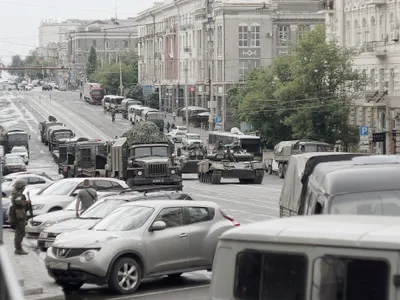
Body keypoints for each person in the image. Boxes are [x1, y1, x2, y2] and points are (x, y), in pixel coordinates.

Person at [9, 179, 30, 255]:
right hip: (19, 215)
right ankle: (18, 248)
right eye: (23, 186)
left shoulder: (18, 193)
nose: (24, 188)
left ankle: (18, 248)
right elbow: (19, 203)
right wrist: (26, 202)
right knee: (20, 232)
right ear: (20, 186)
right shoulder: (17, 194)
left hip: (21, 213)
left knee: (21, 231)